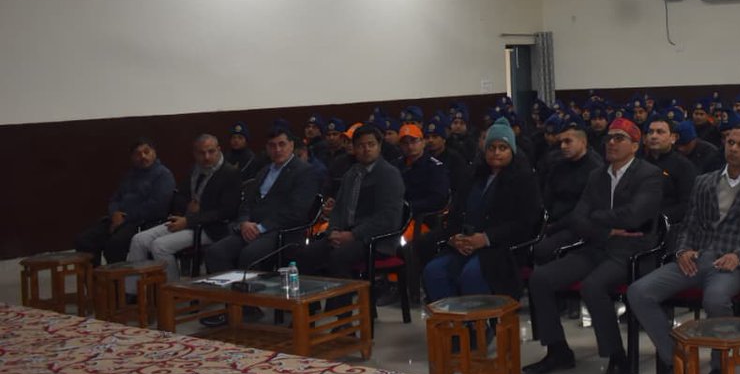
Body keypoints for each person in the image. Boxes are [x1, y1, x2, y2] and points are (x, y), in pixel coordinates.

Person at [626, 124, 740, 374]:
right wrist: (683, 250)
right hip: (698, 257)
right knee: (639, 291)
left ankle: (720, 368)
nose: (733, 148)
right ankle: (678, 361)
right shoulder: (705, 181)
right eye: (730, 142)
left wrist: (739, 255)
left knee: (715, 299)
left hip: (735, 263)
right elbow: (689, 224)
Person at [524, 117, 664, 374]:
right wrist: (606, 229)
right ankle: (557, 350)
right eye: (609, 138)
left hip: (632, 252)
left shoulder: (649, 174)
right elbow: (578, 218)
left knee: (593, 286)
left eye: (619, 138)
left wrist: (597, 217)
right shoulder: (597, 175)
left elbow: (635, 216)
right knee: (540, 279)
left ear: (635, 146)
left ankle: (616, 357)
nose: (611, 142)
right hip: (596, 245)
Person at [422, 119, 542, 301]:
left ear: (512, 150)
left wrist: (485, 239)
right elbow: (456, 213)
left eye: (503, 148)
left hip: (501, 248)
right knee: (434, 271)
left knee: (472, 274)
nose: (496, 153)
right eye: (491, 148)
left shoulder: (524, 178)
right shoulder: (473, 175)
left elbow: (525, 223)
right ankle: (451, 325)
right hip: (466, 243)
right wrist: (453, 238)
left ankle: (479, 327)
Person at [297, 124, 404, 307]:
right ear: (354, 149)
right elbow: (339, 210)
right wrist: (333, 232)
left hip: (376, 240)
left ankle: (341, 316)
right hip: (347, 234)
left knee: (338, 257)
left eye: (371, 144)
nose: (366, 149)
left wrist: (353, 235)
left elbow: (388, 218)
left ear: (379, 146)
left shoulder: (389, 175)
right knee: (306, 254)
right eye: (361, 145)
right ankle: (308, 311)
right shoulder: (351, 174)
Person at [203, 127, 317, 280]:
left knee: (249, 255)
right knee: (215, 252)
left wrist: (261, 227)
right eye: (272, 145)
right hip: (251, 228)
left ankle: (250, 301)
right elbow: (246, 202)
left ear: (291, 145)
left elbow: (296, 211)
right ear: (267, 148)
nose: (277, 149)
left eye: (281, 144)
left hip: (281, 231)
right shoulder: (264, 171)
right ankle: (235, 299)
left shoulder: (304, 172)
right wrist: (244, 222)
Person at [125, 134, 241, 282]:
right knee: (139, 240)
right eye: (201, 153)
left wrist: (191, 218)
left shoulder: (229, 173)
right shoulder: (194, 170)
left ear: (218, 150)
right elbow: (179, 195)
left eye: (211, 151)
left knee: (160, 246)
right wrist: (186, 207)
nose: (206, 157)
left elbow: (227, 211)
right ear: (194, 154)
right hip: (186, 220)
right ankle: (133, 293)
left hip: (212, 229)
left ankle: (173, 292)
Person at [75, 138, 175, 265]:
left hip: (141, 222)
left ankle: (119, 283)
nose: (143, 156)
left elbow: (157, 207)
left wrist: (125, 218)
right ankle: (96, 281)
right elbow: (115, 199)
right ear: (132, 157)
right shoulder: (130, 175)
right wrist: (114, 214)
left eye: (146, 152)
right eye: (138, 154)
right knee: (84, 240)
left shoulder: (163, 175)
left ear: (154, 153)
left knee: (114, 245)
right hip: (118, 219)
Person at [533, 122, 604, 264]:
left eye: (568, 141)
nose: (563, 146)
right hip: (553, 222)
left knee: (541, 249)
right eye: (561, 142)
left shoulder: (595, 170)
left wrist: (552, 227)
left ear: (583, 142)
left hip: (577, 226)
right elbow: (547, 198)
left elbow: (583, 211)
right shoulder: (558, 165)